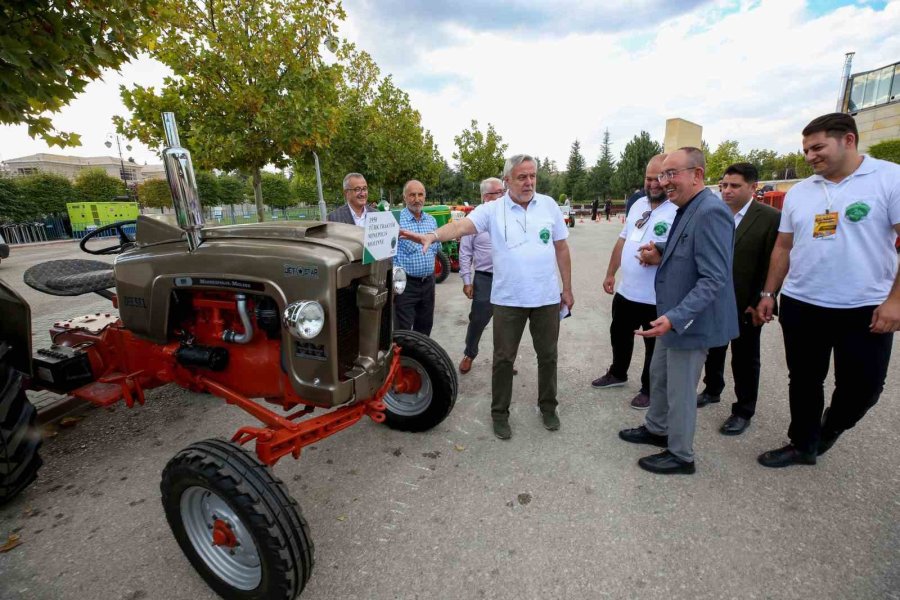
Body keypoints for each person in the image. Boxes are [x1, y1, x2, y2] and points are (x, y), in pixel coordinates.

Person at [755, 113, 900, 468]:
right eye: (805, 150)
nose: (809, 157)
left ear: (848, 140)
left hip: (864, 307)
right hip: (803, 304)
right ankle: (802, 444)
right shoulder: (801, 192)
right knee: (803, 381)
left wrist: (895, 301)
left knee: (864, 388)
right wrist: (769, 293)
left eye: (817, 147)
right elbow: (783, 247)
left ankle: (829, 428)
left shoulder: (889, 179)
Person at [400, 155, 573, 440]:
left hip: (545, 298)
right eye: (521, 177)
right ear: (507, 181)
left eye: (532, 176)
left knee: (549, 356)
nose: (529, 182)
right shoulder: (492, 210)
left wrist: (567, 288)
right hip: (507, 299)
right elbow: (459, 227)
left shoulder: (549, 206)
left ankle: (548, 406)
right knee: (503, 359)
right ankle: (499, 413)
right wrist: (433, 235)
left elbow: (562, 248)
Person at [618, 147, 738, 475]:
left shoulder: (711, 211)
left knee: (681, 390)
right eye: (661, 175)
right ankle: (657, 428)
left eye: (672, 174)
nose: (664, 181)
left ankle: (681, 455)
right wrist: (659, 248)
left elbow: (714, 277)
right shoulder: (686, 207)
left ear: (697, 175)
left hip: (688, 321)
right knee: (659, 376)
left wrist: (675, 317)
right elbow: (686, 247)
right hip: (671, 317)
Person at [696, 162, 780, 436]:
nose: (727, 191)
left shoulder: (769, 218)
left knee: (745, 359)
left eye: (735, 186)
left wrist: (762, 299)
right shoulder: (714, 212)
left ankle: (743, 410)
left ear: (753, 188)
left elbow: (774, 263)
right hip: (713, 300)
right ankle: (712, 389)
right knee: (714, 349)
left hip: (747, 303)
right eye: (724, 185)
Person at [593, 154, 677, 409]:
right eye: (648, 178)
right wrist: (610, 273)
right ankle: (618, 373)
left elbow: (682, 252)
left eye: (658, 179)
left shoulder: (678, 207)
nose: (652, 184)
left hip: (656, 295)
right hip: (627, 290)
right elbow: (623, 240)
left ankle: (649, 388)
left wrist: (660, 256)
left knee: (654, 345)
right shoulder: (639, 204)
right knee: (619, 333)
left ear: (668, 178)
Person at [458, 177, 504, 374]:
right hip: (484, 278)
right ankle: (469, 354)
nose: (504, 195)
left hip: (507, 278)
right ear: (486, 196)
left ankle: (504, 361)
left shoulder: (508, 215)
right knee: (478, 320)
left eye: (504, 191)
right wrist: (467, 280)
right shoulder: (474, 219)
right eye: (499, 192)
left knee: (507, 323)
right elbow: (465, 252)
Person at [393, 180, 439, 335]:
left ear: (425, 196)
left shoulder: (431, 221)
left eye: (420, 194)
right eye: (412, 195)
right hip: (406, 285)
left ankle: (419, 359)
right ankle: (404, 360)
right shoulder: (396, 221)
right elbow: (389, 255)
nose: (417, 199)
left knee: (425, 327)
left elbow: (436, 249)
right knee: (404, 331)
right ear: (404, 197)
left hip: (428, 283)